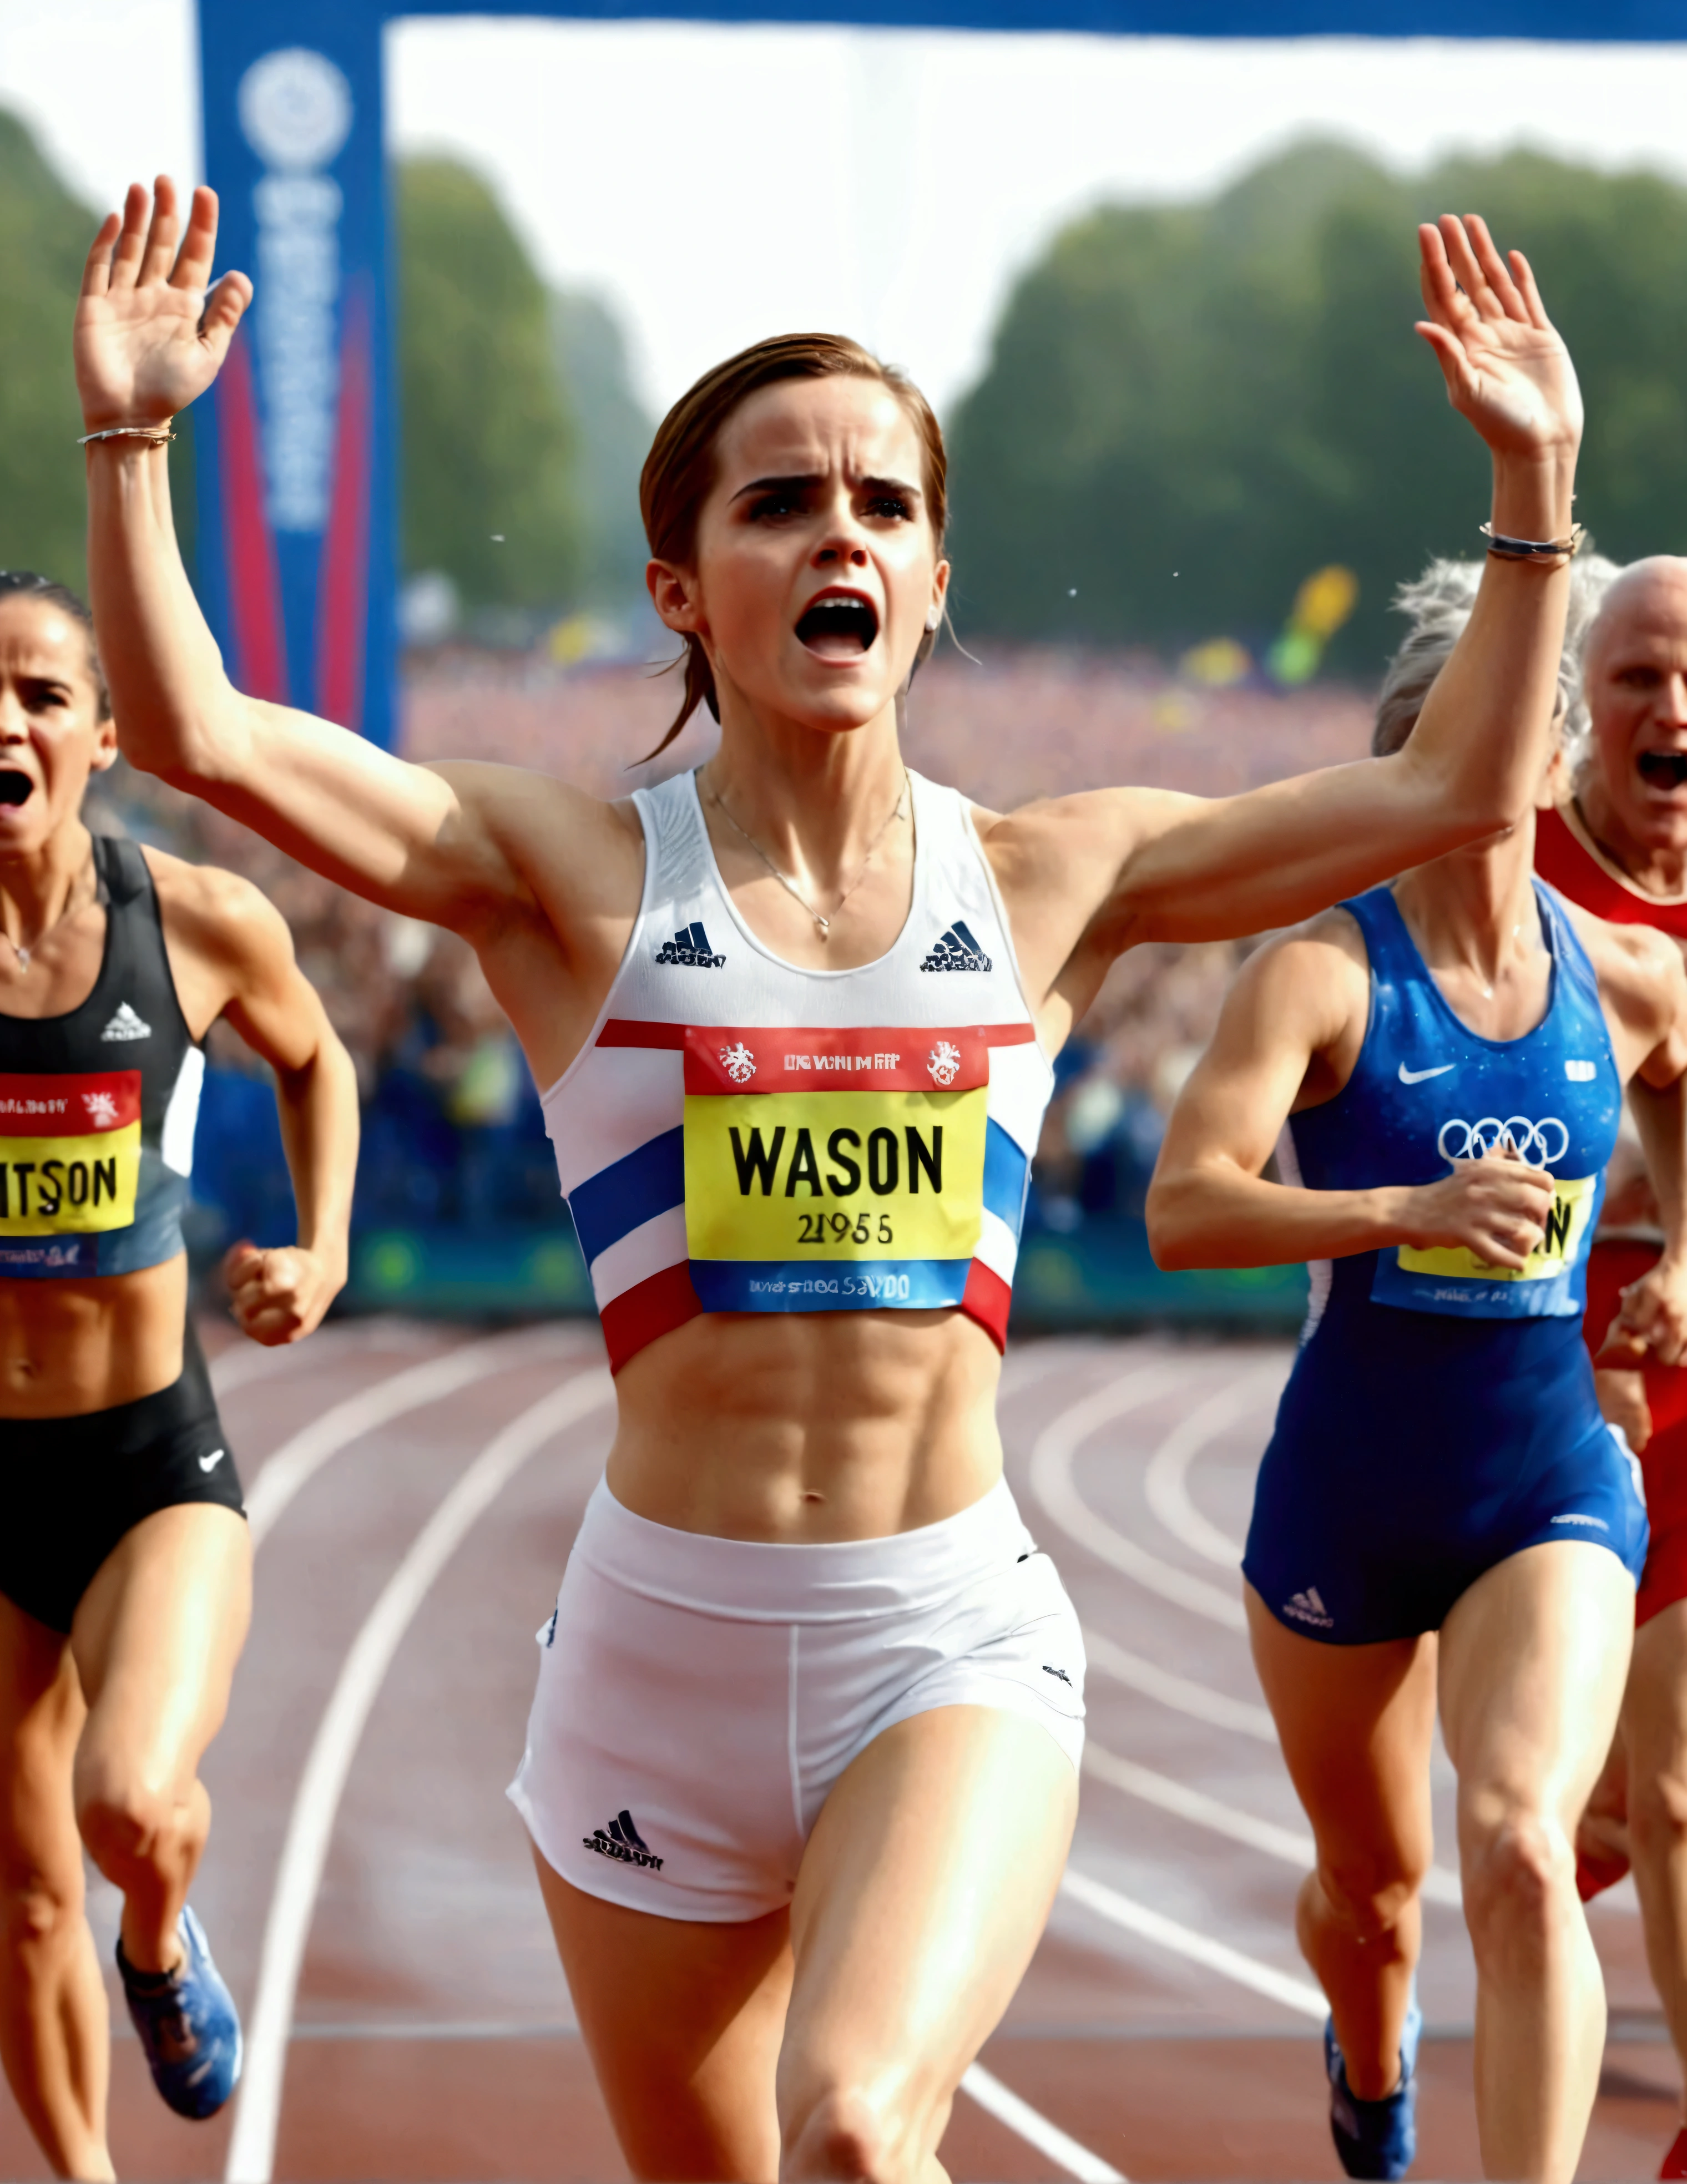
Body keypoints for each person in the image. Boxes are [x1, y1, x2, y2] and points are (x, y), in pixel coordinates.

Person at [76, 178, 1584, 2184]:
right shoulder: (569, 871)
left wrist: (1534, 483)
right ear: (685, 587)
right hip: (649, 1661)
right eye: (781, 503)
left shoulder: (1056, 876)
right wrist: (135, 439)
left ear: (936, 581)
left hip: (940, 1633)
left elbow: (1459, 790)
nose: (839, 532)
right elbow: (194, 733)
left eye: (883, 503)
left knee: (860, 2129)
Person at [1144, 551, 1687, 2180]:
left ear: (1555, 754)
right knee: (1372, 1896)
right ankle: (1368, 2063)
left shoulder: (1628, 975)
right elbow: (1182, 1205)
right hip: (1353, 1500)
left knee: (1521, 1845)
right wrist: (1398, 1207)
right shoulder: (1319, 974)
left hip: (1550, 1481)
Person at [0, 567, 358, 2180]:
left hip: (149, 1466)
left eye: (38, 696)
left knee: (131, 1806)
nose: (4, 725)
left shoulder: (192, 921)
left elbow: (317, 1059)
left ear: (102, 734)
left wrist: (324, 1249)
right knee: (15, 1893)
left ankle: (157, 1943)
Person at [1528, 555, 1687, 2180]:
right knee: (1594, 1814)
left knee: (1679, 1782)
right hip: (1554, 1369)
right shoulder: (1522, 878)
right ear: (1585, 699)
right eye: (1638, 673)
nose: (1675, 708)